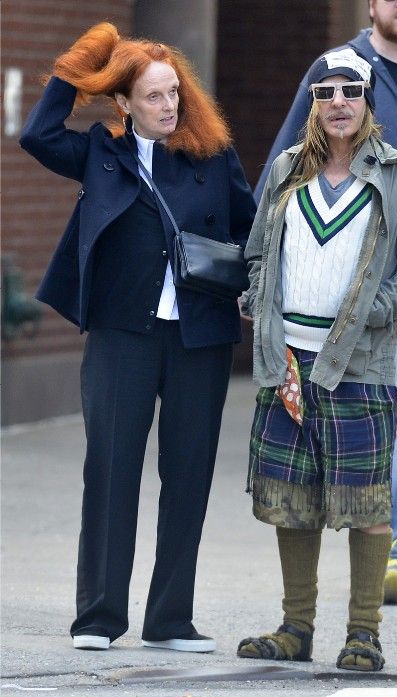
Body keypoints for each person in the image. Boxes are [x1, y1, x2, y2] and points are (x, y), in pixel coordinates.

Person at [20, 22, 256, 652]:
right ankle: (98, 616)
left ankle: (171, 619)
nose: (169, 105)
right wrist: (80, 64)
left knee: (188, 473)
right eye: (153, 96)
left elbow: (251, 231)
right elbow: (36, 134)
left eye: (174, 93)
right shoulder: (100, 152)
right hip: (121, 335)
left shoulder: (211, 157)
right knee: (111, 469)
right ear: (123, 103)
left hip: (198, 340)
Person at [237, 47, 397, 671]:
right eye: (324, 93)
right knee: (290, 497)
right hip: (288, 364)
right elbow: (255, 253)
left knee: (366, 503)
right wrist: (257, 294)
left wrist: (375, 309)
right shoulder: (284, 172)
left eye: (349, 91)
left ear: (367, 99)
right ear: (312, 102)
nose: (337, 104)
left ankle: (363, 633)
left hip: (358, 365)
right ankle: (295, 627)